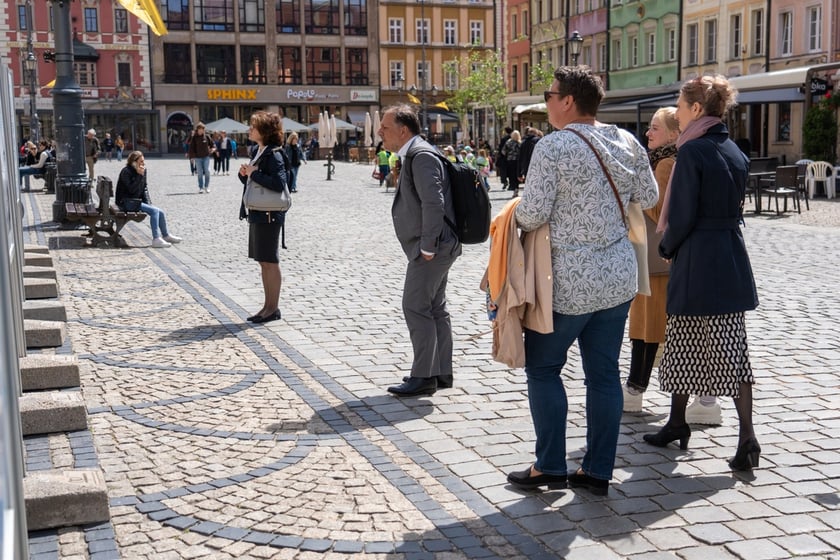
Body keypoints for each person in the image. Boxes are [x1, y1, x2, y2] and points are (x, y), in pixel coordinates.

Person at [506, 66, 658, 495]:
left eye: (550, 95)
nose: (547, 102)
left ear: (568, 101)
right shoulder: (627, 141)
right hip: (616, 278)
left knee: (543, 368)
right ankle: (596, 470)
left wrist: (508, 216)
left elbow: (532, 213)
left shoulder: (552, 148)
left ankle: (550, 465)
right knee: (604, 375)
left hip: (567, 282)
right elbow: (649, 198)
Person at [643, 75, 760, 471]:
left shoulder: (692, 152)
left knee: (687, 339)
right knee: (726, 347)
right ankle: (688, 424)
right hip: (728, 254)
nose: (676, 111)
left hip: (697, 256)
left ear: (696, 109)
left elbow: (682, 214)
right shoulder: (734, 149)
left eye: (679, 104)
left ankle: (743, 436)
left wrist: (667, 246)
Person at [623, 108, 723, 424]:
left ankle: (636, 390)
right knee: (652, 328)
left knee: (651, 328)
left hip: (657, 262)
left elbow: (662, 213)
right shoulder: (659, 162)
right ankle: (641, 391)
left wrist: (635, 191)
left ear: (672, 134)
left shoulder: (666, 164)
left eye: (655, 128)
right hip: (652, 258)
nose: (648, 134)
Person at [378, 104, 461, 397]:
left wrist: (427, 245)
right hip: (442, 244)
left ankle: (424, 375)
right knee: (435, 307)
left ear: (403, 130)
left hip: (433, 248)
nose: (379, 132)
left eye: (385, 127)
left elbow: (433, 202)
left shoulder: (421, 156)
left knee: (415, 306)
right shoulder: (420, 152)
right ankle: (440, 371)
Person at [238, 111, 288, 324]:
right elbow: (256, 182)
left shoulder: (274, 154)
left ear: (264, 131)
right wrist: (245, 175)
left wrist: (253, 173)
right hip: (258, 212)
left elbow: (278, 184)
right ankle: (267, 306)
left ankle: (273, 308)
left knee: (270, 261)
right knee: (263, 261)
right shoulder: (259, 151)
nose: (250, 129)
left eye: (253, 126)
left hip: (269, 214)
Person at [115, 151, 182, 248]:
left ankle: (166, 235)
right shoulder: (126, 171)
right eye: (141, 161)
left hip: (136, 201)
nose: (143, 163)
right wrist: (139, 176)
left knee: (160, 212)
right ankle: (156, 239)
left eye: (143, 161)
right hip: (126, 201)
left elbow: (144, 188)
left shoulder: (143, 170)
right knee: (155, 211)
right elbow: (131, 190)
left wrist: (148, 203)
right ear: (134, 162)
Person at [187, 123, 214, 193]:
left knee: (207, 171)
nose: (201, 131)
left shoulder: (207, 137)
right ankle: (201, 187)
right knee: (199, 173)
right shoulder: (194, 138)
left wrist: (213, 149)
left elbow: (212, 145)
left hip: (206, 157)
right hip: (198, 158)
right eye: (200, 129)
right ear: (198, 130)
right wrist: (191, 157)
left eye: (203, 129)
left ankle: (207, 186)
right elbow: (191, 148)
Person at [501, 130, 522, 197]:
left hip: (510, 160)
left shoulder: (508, 142)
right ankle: (516, 187)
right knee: (517, 174)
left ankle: (513, 187)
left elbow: (503, 151)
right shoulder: (520, 143)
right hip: (518, 160)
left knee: (511, 174)